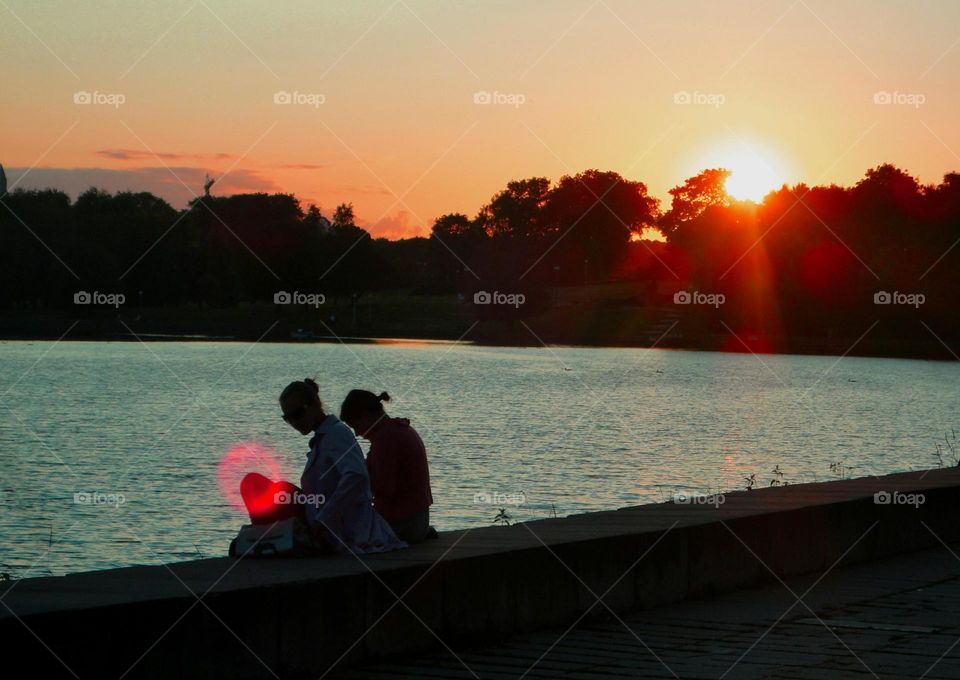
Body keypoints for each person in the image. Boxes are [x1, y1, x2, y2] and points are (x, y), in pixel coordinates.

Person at [240, 378, 406, 555]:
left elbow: (357, 476)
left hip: (336, 526)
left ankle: (262, 538)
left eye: (298, 414)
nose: (294, 422)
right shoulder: (324, 437)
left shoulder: (336, 433)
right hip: (315, 512)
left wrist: (325, 518)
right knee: (255, 484)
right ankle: (260, 536)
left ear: (314, 406)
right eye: (288, 418)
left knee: (256, 489)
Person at [340, 390, 435, 543]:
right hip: (419, 520)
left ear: (365, 416)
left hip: (404, 525)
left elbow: (383, 491)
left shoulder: (385, 440)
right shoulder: (399, 429)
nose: (356, 433)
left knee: (339, 534)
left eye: (356, 426)